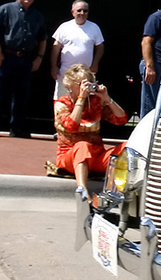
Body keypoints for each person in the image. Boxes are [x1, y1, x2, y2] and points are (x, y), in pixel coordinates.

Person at [54, 64, 127, 196]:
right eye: (81, 84)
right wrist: (81, 99)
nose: (86, 87)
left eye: (88, 83)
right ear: (70, 85)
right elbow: (71, 126)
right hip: (70, 156)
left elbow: (121, 119)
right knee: (83, 145)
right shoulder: (62, 104)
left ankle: (121, 190)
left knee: (128, 147)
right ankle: (82, 188)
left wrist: (107, 99)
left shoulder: (96, 102)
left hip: (96, 156)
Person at [0, 0, 48, 138]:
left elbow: (43, 39)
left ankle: (17, 127)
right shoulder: (6, 9)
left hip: (26, 59)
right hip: (7, 56)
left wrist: (39, 58)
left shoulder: (37, 16)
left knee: (22, 94)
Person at [49, 0, 105, 100]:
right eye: (79, 10)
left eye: (85, 11)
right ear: (72, 12)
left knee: (86, 102)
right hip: (65, 73)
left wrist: (95, 63)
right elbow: (56, 47)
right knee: (62, 100)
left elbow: (100, 46)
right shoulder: (64, 27)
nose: (82, 13)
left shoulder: (94, 27)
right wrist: (53, 66)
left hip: (86, 73)